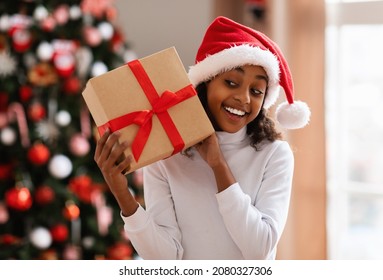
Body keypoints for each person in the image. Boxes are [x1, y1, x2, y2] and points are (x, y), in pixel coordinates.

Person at [94, 16, 310, 260]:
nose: (244, 98)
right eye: (231, 82)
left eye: (256, 91)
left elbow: (259, 248)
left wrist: (218, 165)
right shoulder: (168, 153)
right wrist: (122, 194)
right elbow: (166, 259)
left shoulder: (274, 154)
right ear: (206, 84)